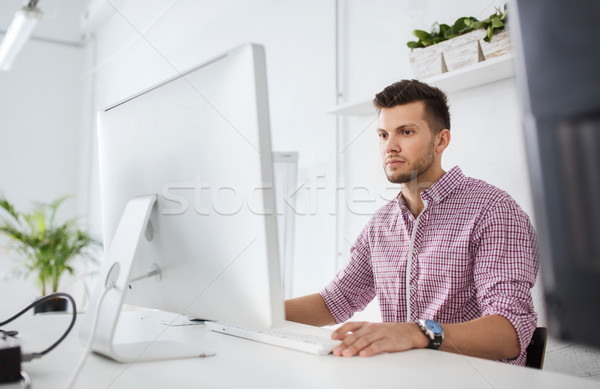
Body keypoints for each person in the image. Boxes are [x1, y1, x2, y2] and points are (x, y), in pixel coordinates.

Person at [285, 79, 539, 366]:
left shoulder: (494, 211)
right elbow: (337, 299)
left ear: (441, 140)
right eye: (383, 135)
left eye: (405, 132)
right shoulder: (381, 224)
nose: (390, 146)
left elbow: (510, 332)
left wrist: (418, 333)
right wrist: (257, 315)